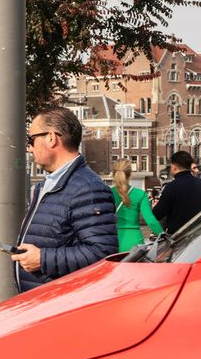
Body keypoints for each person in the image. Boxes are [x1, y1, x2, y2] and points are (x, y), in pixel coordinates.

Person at [11, 106, 118, 293]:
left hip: (60, 302)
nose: (29, 148)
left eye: (31, 139)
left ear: (51, 138)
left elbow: (102, 253)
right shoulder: (50, 183)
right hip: (43, 299)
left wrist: (42, 258)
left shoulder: (88, 188)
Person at [153, 150, 201, 235]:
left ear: (174, 167)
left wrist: (155, 207)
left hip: (179, 238)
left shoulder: (171, 187)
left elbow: (157, 215)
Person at [110, 158, 162, 253]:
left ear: (113, 173)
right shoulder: (140, 194)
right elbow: (151, 221)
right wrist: (163, 236)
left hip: (112, 241)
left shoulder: (107, 193)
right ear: (130, 174)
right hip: (135, 244)